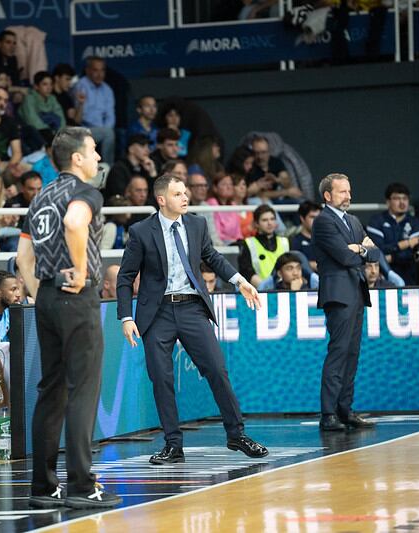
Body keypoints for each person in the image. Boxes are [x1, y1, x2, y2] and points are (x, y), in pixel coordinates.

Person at [117, 174, 268, 465]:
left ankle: (236, 434)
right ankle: (173, 444)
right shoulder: (141, 231)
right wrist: (126, 316)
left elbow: (212, 256)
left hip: (191, 308)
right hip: (157, 312)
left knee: (217, 369)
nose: (185, 198)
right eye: (178, 194)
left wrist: (240, 281)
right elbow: (124, 277)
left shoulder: (197, 224)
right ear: (161, 200)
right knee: (162, 379)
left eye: (185, 193)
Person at [16, 127, 121, 509]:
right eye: (93, 150)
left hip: (45, 296)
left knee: (52, 390)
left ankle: (43, 486)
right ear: (77, 158)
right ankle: (82, 484)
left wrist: (38, 290)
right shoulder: (85, 192)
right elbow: (76, 223)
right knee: (83, 390)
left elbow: (23, 257)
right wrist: (79, 271)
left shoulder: (41, 195)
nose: (97, 157)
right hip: (76, 297)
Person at [312, 173, 376, 431]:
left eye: (349, 191)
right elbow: (344, 257)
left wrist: (359, 249)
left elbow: (375, 253)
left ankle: (345, 409)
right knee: (339, 353)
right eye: (342, 192)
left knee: (352, 354)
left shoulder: (354, 220)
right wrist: (361, 250)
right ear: (327, 195)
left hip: (356, 292)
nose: (348, 196)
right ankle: (328, 414)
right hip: (338, 294)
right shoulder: (323, 221)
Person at [367, 182, 419, 284]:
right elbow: (377, 250)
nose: (402, 202)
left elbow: (413, 254)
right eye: (397, 198)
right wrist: (406, 244)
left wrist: (390, 257)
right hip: (382, 276)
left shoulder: (416, 223)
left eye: (405, 198)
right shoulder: (376, 221)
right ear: (388, 202)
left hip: (410, 277)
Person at [73, 56, 115, 164]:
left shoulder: (107, 89)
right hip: (83, 129)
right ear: (88, 71)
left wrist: (105, 129)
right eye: (96, 70)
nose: (99, 74)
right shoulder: (81, 86)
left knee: (109, 132)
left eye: (102, 70)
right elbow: (82, 117)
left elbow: (110, 115)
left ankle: (106, 170)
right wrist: (104, 130)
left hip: (102, 130)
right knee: (108, 133)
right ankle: (108, 168)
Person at [238, 205, 290, 287]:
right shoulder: (248, 243)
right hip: (261, 291)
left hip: (285, 289)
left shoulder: (285, 242)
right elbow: (247, 272)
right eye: (264, 220)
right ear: (256, 224)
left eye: (272, 219)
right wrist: (265, 287)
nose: (269, 223)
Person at [104, 134, 157, 202]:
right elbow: (120, 196)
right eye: (142, 146)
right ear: (131, 149)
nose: (147, 150)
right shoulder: (118, 169)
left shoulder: (145, 168)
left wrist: (152, 173)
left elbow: (154, 195)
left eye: (148, 147)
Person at [19, 70, 65, 144]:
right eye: (45, 84)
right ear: (36, 86)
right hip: (35, 134)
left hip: (52, 133)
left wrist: (60, 132)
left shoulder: (52, 98)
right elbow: (33, 121)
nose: (49, 88)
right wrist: (51, 134)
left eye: (51, 84)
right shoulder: (29, 98)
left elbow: (61, 117)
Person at [291, 200, 321, 272]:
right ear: (302, 218)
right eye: (312, 217)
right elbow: (297, 264)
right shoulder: (294, 241)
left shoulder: (329, 239)